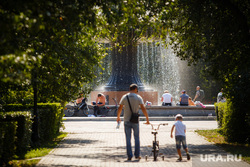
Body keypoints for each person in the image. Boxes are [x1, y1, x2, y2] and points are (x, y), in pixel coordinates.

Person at [117, 84, 150, 161]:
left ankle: (129, 156)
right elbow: (143, 108)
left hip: (126, 120)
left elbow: (120, 108)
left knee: (128, 138)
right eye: (137, 89)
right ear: (135, 89)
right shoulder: (138, 97)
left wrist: (118, 117)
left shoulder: (124, 97)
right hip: (135, 121)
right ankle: (137, 155)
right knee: (136, 138)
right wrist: (147, 119)